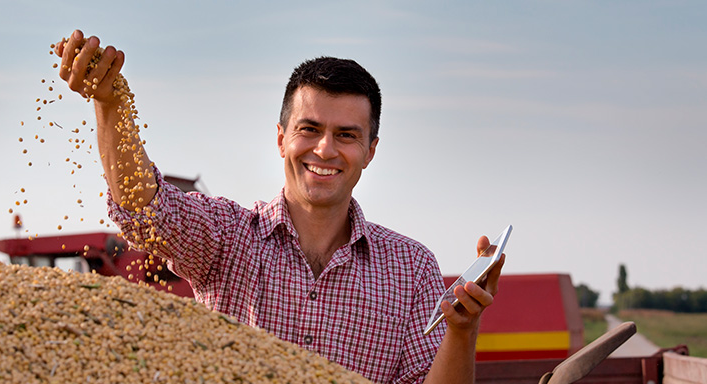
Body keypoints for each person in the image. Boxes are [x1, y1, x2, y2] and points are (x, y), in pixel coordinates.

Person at [55, 29, 504, 384]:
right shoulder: (227, 237)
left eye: (347, 135)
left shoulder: (411, 268)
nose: (325, 150)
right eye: (309, 128)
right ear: (281, 138)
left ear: (371, 150)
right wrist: (110, 104)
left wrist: (462, 330)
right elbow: (146, 209)